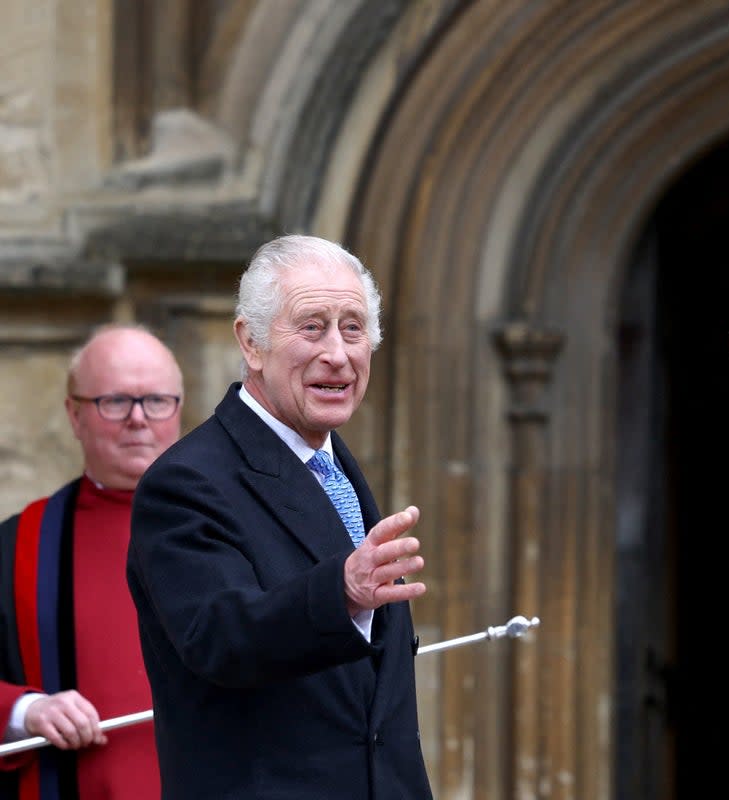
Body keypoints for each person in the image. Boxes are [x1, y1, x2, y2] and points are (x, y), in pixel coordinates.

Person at [126, 234, 433, 800]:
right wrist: (340, 591)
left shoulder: (333, 465)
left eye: (353, 327)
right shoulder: (186, 483)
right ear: (252, 343)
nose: (337, 353)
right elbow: (220, 638)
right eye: (312, 326)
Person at [0, 323, 184, 799]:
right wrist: (25, 711)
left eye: (157, 401)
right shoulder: (20, 544)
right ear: (75, 415)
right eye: (115, 401)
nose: (139, 419)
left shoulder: (244, 529)